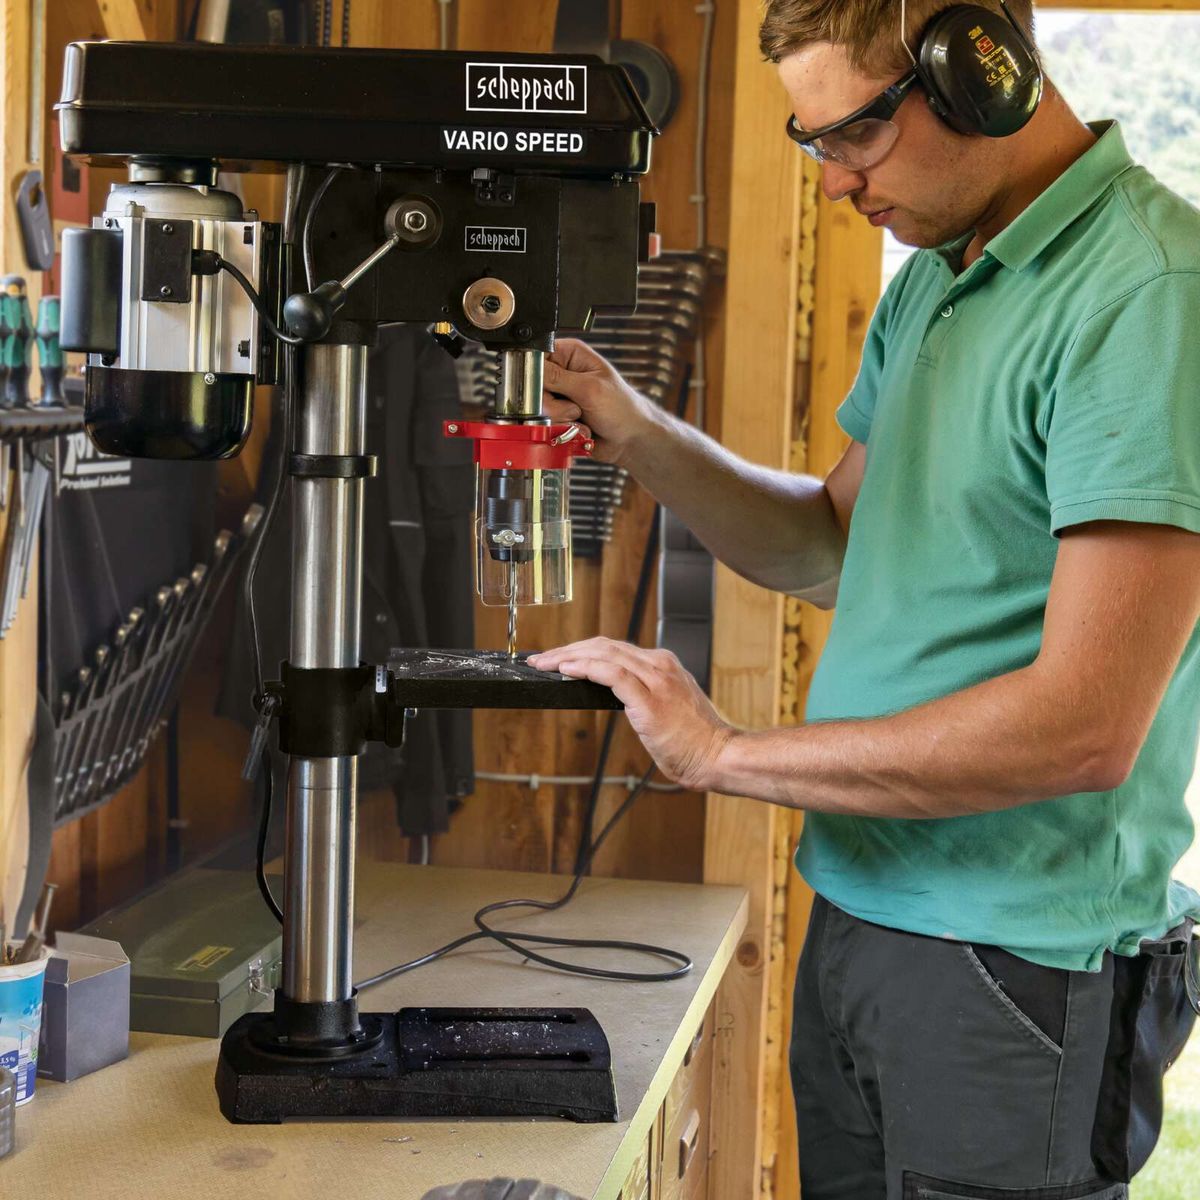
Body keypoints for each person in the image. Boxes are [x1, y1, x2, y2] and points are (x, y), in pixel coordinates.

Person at [527, 2, 1200, 1196]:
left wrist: (722, 754)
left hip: (1012, 962)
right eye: (812, 146)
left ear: (979, 81)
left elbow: (1088, 725)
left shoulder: (1148, 295)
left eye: (852, 140)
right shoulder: (940, 279)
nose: (836, 184)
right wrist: (636, 433)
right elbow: (830, 544)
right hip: (859, 914)